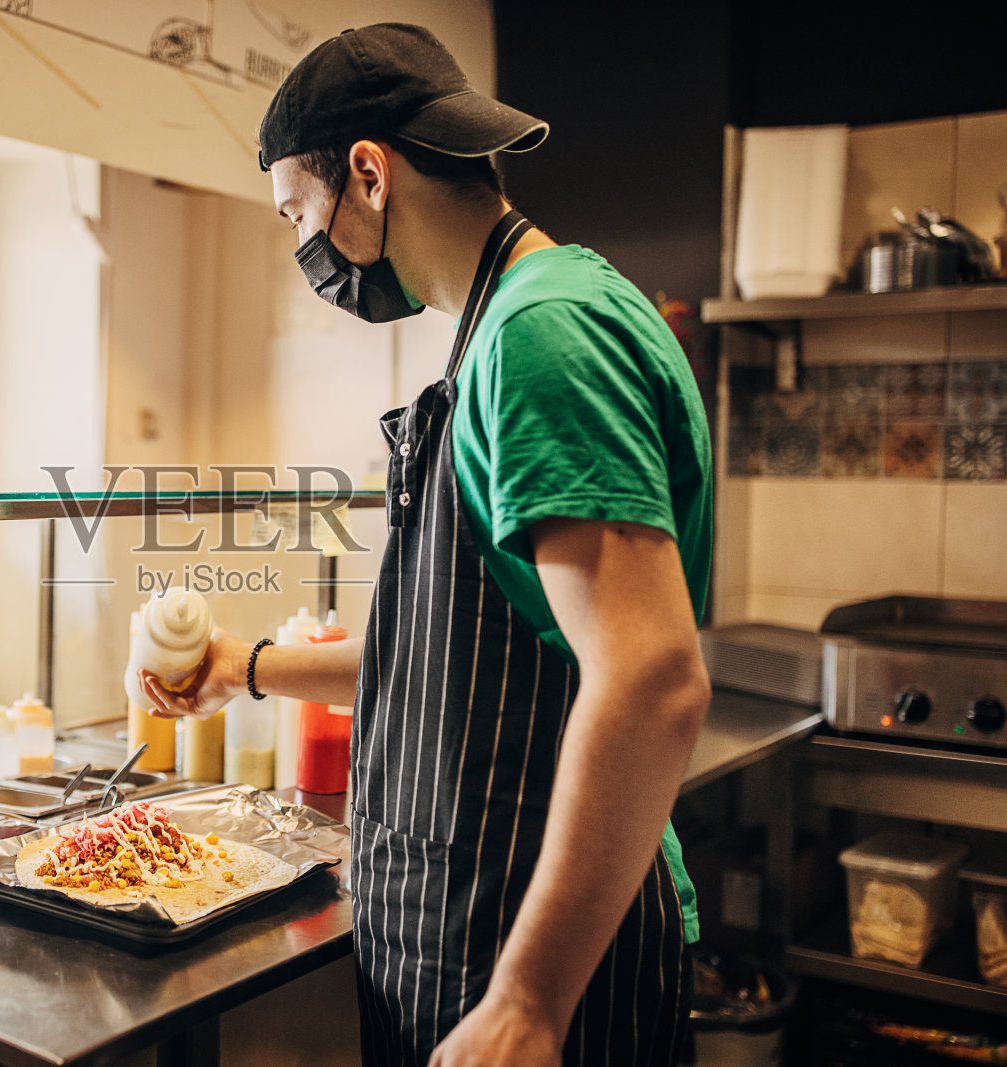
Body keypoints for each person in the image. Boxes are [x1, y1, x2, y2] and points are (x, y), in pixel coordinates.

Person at [140, 24, 711, 1067]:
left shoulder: (543, 334)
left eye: (295, 213)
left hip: (522, 940)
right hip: (469, 918)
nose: (302, 245)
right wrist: (248, 667)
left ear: (367, 172)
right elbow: (464, 655)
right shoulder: (510, 319)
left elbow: (651, 679)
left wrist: (530, 997)